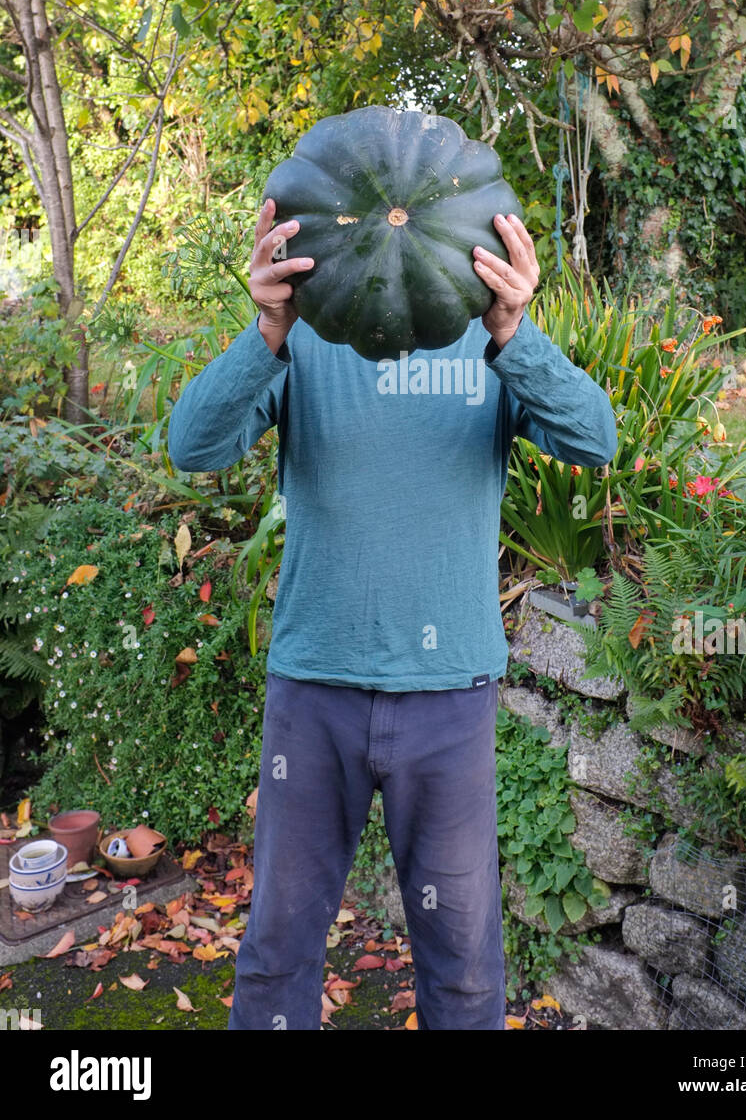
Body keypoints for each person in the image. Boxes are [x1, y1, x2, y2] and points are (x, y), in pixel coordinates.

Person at [167, 195, 618, 1031]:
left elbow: (595, 441)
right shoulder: (303, 336)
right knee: (276, 951)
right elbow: (191, 446)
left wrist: (516, 329)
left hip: (447, 698)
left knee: (464, 970)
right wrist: (265, 328)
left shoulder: (488, 343)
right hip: (313, 690)